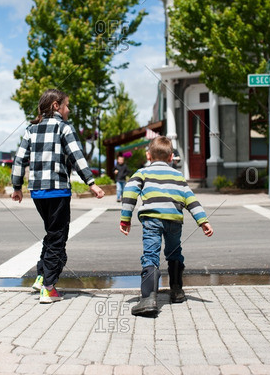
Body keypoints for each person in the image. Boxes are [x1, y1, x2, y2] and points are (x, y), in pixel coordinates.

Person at [11, 89, 105, 303]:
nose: (68, 109)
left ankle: (42, 276)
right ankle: (49, 288)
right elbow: (77, 156)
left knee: (52, 233)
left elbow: (19, 160)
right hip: (58, 190)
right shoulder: (64, 128)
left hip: (37, 192)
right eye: (66, 105)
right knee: (58, 238)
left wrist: (17, 187)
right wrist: (91, 182)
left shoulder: (30, 129)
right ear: (56, 105)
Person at [119, 136, 213, 317]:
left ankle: (148, 299)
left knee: (151, 255)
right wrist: (203, 221)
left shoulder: (142, 173)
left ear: (148, 155)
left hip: (152, 220)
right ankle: (177, 291)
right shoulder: (178, 176)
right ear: (171, 158)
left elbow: (129, 192)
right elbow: (191, 199)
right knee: (174, 252)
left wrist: (126, 218)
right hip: (174, 220)